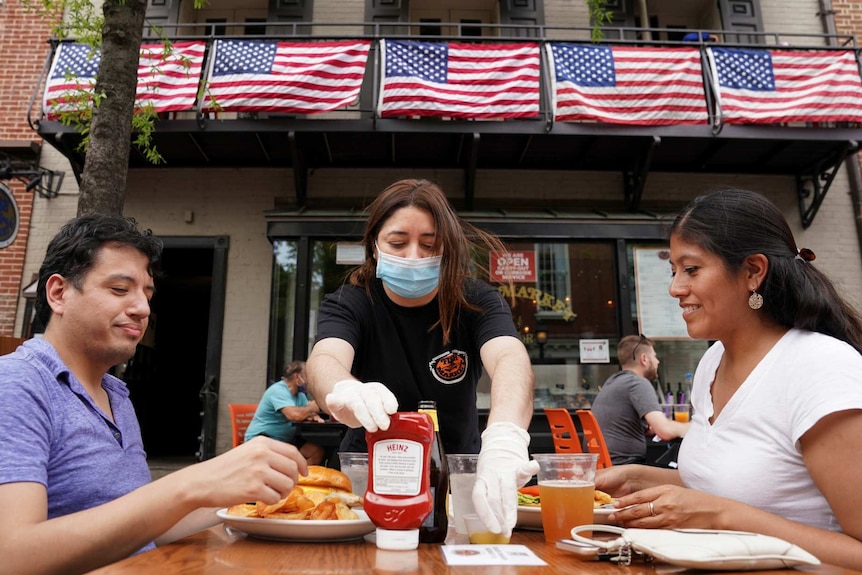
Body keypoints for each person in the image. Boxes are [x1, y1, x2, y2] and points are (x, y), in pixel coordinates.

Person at [0, 215, 309, 575]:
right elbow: (12, 556)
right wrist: (189, 484)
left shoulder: (115, 395)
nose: (143, 309)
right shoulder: (17, 383)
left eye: (147, 294)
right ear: (58, 293)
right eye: (119, 289)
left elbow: (139, 527)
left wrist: (246, 491)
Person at [596, 189, 862, 569]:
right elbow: (732, 489)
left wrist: (722, 516)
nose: (675, 288)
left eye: (691, 269)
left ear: (753, 271)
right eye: (673, 270)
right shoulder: (713, 361)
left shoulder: (820, 366)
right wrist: (636, 479)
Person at [306, 178, 538, 538]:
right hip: (369, 475)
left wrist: (506, 438)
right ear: (374, 246)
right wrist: (344, 389)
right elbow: (324, 358)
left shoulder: (476, 302)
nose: (413, 256)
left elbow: (510, 358)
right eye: (398, 243)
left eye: (430, 245)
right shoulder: (350, 303)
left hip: (459, 480)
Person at [591, 335, 688, 465]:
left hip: (606, 466)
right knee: (682, 478)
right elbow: (665, 431)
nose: (658, 361)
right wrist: (695, 426)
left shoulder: (612, 382)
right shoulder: (637, 383)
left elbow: (628, 425)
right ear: (644, 359)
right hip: (625, 467)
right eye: (654, 356)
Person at [244, 360, 325, 465]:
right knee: (287, 457)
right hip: (263, 439)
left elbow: (304, 412)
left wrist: (313, 416)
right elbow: (294, 415)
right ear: (297, 377)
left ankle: (300, 480)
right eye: (307, 377)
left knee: (315, 451)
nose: (309, 381)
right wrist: (311, 409)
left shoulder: (300, 395)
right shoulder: (278, 391)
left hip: (285, 440)